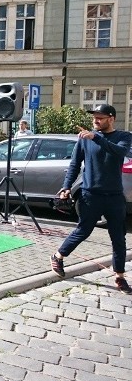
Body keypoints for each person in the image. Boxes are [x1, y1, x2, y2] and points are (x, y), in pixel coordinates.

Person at [51, 104, 131, 294]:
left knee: (118, 238)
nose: (95, 121)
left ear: (111, 119)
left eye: (100, 118)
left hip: (114, 196)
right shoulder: (84, 139)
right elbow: (74, 164)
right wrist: (66, 187)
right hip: (90, 194)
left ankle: (119, 277)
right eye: (94, 117)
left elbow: (119, 152)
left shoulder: (124, 137)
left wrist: (96, 137)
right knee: (83, 231)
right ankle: (58, 256)